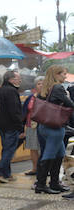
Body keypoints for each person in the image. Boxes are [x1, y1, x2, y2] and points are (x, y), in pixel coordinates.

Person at [34, 64, 73, 194]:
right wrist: (67, 96)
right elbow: (70, 105)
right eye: (63, 74)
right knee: (49, 155)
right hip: (55, 127)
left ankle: (55, 183)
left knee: (59, 154)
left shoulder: (46, 88)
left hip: (45, 126)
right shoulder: (57, 87)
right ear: (56, 75)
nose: (65, 76)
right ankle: (41, 184)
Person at [0, 70, 23, 183]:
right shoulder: (12, 91)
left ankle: (7, 174)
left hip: (0, 125)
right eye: (17, 78)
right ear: (11, 79)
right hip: (11, 126)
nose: (20, 80)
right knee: (10, 150)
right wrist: (20, 126)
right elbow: (14, 110)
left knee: (6, 149)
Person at [22, 76, 44, 176]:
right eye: (39, 83)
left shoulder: (49, 97)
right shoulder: (31, 97)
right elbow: (24, 112)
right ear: (35, 86)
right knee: (33, 148)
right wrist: (22, 128)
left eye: (43, 83)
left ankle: (44, 169)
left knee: (44, 148)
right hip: (32, 125)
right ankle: (35, 169)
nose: (41, 85)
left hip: (45, 126)